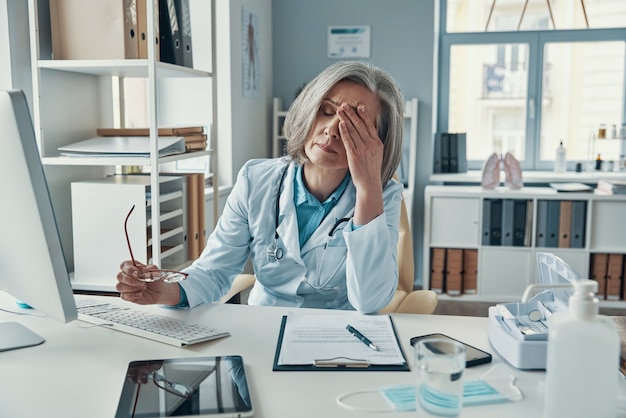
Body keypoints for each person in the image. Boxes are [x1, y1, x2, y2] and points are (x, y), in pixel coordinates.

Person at [116, 61, 405, 314]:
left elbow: (369, 301)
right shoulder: (256, 180)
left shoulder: (384, 197)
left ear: (376, 143)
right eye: (326, 111)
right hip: (262, 332)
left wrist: (367, 188)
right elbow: (214, 272)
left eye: (352, 125)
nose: (331, 129)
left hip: (336, 341)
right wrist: (163, 292)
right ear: (307, 110)